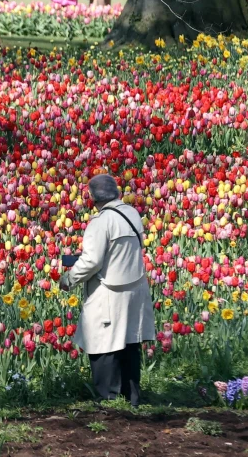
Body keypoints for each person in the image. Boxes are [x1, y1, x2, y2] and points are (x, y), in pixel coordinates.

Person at [61, 174, 156, 406]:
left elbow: (92, 262)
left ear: (92, 197)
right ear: (116, 192)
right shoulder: (132, 214)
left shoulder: (100, 222)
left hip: (108, 291)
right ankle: (131, 397)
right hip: (135, 288)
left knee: (103, 343)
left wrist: (69, 279)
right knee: (130, 343)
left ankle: (109, 399)